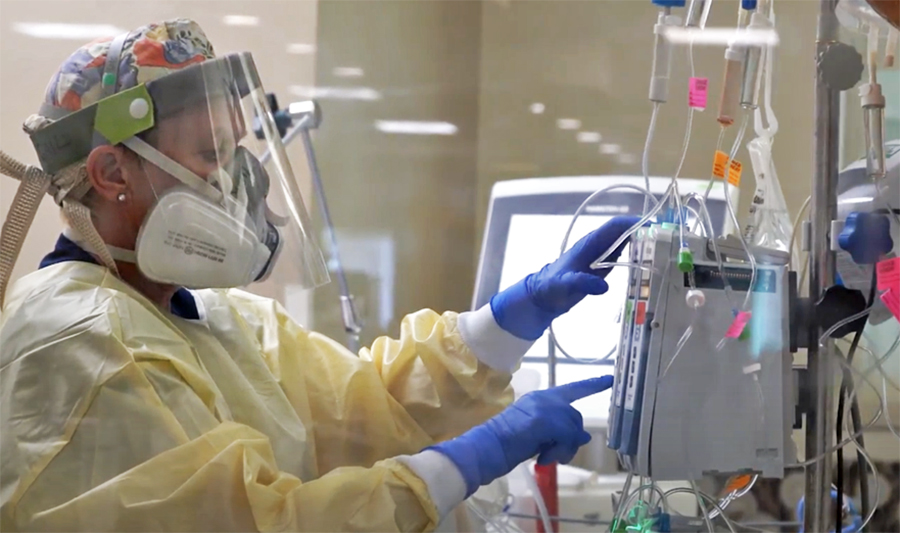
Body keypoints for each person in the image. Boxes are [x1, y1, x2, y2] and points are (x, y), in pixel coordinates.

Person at [0, 19, 639, 532]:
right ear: (113, 174)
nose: (238, 184)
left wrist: (505, 321)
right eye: (211, 157)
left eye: (236, 154)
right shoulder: (77, 340)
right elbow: (260, 523)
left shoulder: (218, 317)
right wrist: (478, 453)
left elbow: (370, 414)